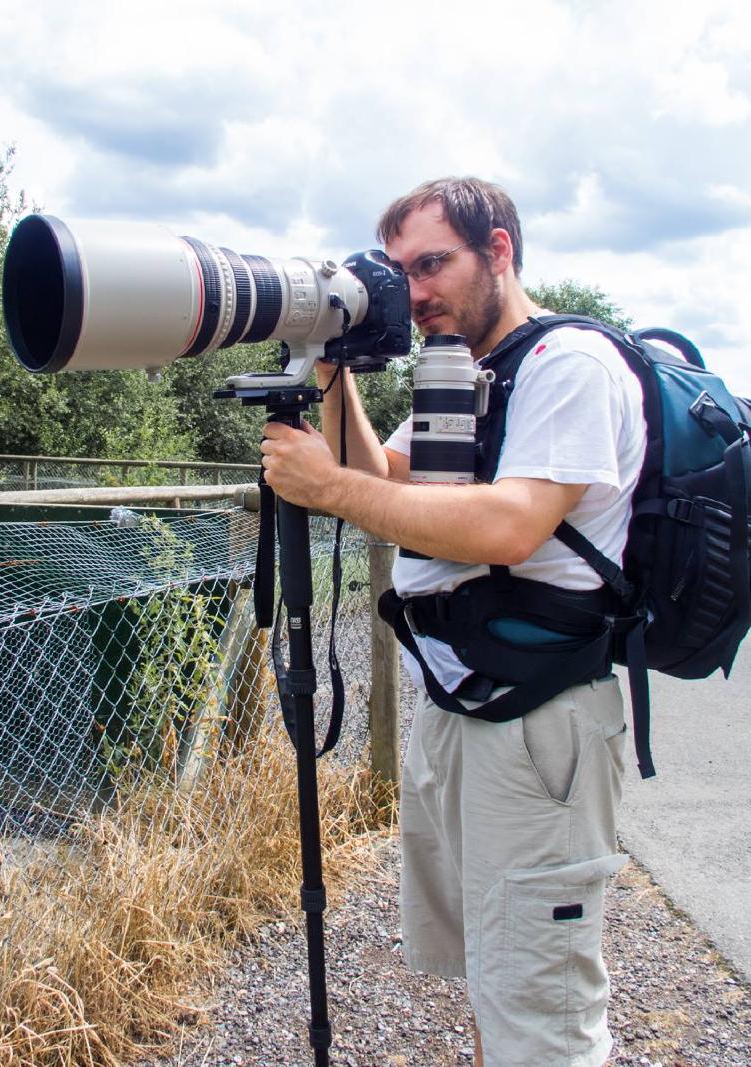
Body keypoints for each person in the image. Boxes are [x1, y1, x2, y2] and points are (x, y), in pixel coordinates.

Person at [260, 177, 646, 1067]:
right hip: (459, 709)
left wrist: (330, 488)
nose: (414, 291)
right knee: (490, 975)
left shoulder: (570, 365)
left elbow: (511, 525)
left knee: (543, 1016)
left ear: (499, 250)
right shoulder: (464, 371)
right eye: (399, 272)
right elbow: (380, 477)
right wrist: (332, 364)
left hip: (538, 728)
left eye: (432, 264)